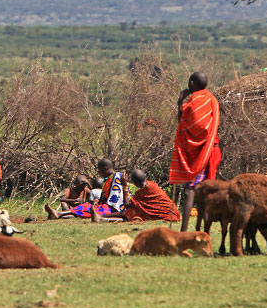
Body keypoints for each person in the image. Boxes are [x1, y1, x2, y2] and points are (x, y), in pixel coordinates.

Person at [169, 71, 221, 231]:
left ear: (192, 83)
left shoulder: (194, 102)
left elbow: (191, 127)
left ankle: (184, 232)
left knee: (189, 191)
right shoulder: (211, 99)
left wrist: (180, 103)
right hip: (213, 151)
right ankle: (204, 232)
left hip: (202, 153)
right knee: (205, 193)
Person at [44, 159, 128, 219]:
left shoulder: (117, 177)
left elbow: (115, 199)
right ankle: (59, 214)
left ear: (105, 168)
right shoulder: (108, 179)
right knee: (86, 210)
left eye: (99, 170)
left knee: (86, 208)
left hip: (114, 208)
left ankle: (59, 214)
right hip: (108, 206)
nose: (99, 172)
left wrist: (100, 204)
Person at [91, 170, 180, 223]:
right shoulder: (151, 185)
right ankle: (101, 218)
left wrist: (124, 186)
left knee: (130, 212)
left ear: (135, 183)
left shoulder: (145, 190)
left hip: (167, 215)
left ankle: (102, 217)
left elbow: (127, 204)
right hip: (172, 213)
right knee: (131, 213)